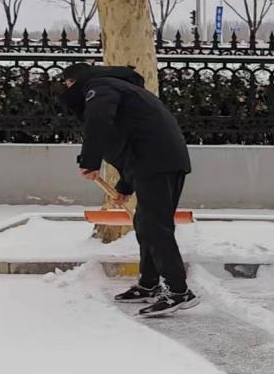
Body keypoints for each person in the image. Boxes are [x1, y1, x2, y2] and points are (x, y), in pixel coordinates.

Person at [60, 63, 196, 316]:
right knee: (146, 225)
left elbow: (99, 121)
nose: (68, 91)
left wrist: (89, 161)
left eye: (67, 85)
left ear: (74, 81)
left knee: (155, 226)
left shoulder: (100, 87)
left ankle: (179, 291)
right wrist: (125, 185)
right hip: (152, 162)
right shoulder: (118, 87)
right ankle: (149, 284)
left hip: (156, 163)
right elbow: (132, 138)